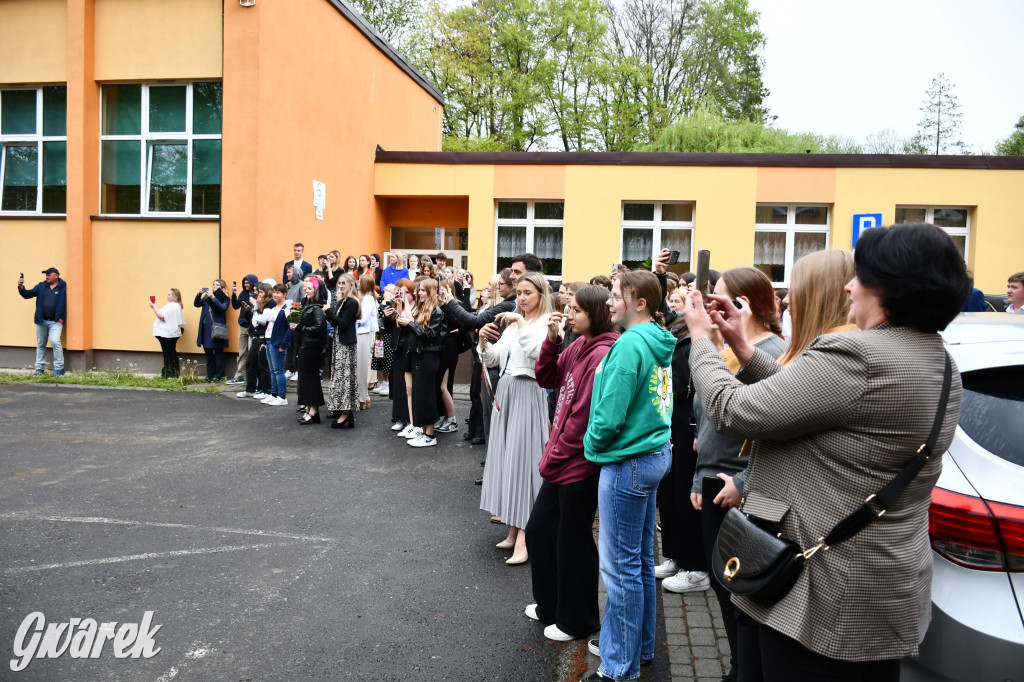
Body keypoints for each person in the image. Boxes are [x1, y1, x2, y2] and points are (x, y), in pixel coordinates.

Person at [681, 223, 969, 681]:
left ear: (891, 287)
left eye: (861, 276)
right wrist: (739, 342)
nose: (850, 286)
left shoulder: (858, 356)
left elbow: (731, 410)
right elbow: (804, 399)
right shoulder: (937, 360)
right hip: (881, 585)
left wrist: (701, 338)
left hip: (823, 591)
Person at [689, 267, 788, 680]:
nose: (711, 306)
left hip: (740, 487)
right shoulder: (732, 346)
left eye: (719, 298)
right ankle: (737, 665)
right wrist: (700, 476)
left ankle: (742, 670)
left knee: (742, 593)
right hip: (715, 479)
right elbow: (708, 419)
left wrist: (743, 482)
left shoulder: (776, 352)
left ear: (743, 304)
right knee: (722, 585)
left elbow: (776, 430)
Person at [582, 270, 674, 682]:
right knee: (637, 563)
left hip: (628, 461)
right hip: (652, 455)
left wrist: (592, 447)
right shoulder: (655, 338)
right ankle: (641, 649)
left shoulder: (629, 345)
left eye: (617, 296)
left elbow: (609, 414)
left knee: (620, 571)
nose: (609, 302)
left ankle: (619, 667)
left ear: (640, 302)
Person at [524, 285, 618, 642]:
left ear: (594, 313)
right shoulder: (578, 344)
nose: (569, 313)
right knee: (540, 530)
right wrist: (551, 341)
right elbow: (548, 379)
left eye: (576, 309)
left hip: (578, 465)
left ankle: (577, 620)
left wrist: (555, 454)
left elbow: (583, 417)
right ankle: (551, 606)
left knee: (573, 541)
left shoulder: (602, 353)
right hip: (561, 460)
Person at [479, 271, 553, 564]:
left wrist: (520, 323)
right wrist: (482, 342)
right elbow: (496, 358)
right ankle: (513, 528)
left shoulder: (548, 322)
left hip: (529, 390)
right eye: (519, 293)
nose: (521, 298)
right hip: (507, 389)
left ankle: (526, 537)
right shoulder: (513, 319)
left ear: (541, 295)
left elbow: (538, 354)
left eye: (528, 293)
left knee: (524, 462)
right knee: (508, 460)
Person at [653, 289, 708, 598]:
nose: (678, 303)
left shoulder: (702, 334)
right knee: (670, 491)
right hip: (673, 417)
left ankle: (695, 567)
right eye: (676, 299)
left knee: (688, 493)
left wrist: (701, 428)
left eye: (686, 298)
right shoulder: (676, 328)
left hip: (690, 420)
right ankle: (674, 556)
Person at [398, 278, 446, 447]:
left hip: (429, 357)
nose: (419, 293)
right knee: (421, 395)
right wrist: (405, 324)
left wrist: (409, 324)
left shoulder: (437, 312)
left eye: (423, 290)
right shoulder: (422, 308)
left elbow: (429, 336)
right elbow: (417, 333)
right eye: (419, 290)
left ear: (431, 292)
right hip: (420, 355)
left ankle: (430, 435)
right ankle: (425, 432)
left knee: (427, 396)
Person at [323, 274, 360, 428]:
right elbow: (335, 323)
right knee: (339, 377)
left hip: (346, 345)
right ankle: (342, 410)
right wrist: (328, 313)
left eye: (344, 283)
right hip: (338, 343)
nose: (341, 286)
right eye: (339, 283)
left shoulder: (352, 303)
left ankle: (346, 413)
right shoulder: (341, 302)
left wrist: (329, 312)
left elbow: (344, 323)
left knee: (345, 378)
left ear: (351, 285)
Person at [290, 279, 327, 424]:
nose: (307, 290)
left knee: (311, 380)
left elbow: (319, 328)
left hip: (313, 347)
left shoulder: (317, 308)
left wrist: (300, 327)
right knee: (306, 380)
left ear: (316, 290)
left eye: (310, 288)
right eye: (307, 288)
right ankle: (309, 408)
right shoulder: (308, 304)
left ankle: (314, 410)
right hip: (305, 346)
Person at [18, 267, 67, 376]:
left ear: (56, 276)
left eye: (49, 274)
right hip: (41, 321)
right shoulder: (41, 286)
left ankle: (59, 368)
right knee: (41, 344)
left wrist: (62, 317)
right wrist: (21, 286)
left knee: (55, 341)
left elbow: (71, 302)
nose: (47, 276)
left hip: (56, 321)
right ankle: (39, 368)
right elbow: (27, 294)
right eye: (46, 274)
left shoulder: (64, 287)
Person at [237, 283, 273, 399]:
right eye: (258, 292)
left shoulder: (270, 304)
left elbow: (262, 320)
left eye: (261, 292)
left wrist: (255, 308)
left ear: (267, 293)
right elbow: (253, 321)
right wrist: (249, 311)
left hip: (263, 338)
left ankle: (265, 390)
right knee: (250, 363)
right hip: (256, 337)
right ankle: (250, 389)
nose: (258, 295)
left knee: (263, 365)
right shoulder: (260, 305)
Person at [194, 279, 230, 381]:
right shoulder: (206, 296)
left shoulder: (225, 298)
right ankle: (210, 375)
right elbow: (197, 304)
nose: (214, 286)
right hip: (205, 328)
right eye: (213, 284)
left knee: (218, 352)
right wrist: (199, 294)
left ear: (222, 287)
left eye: (217, 284)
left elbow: (222, 308)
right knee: (208, 352)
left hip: (216, 329)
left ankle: (219, 375)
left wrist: (213, 297)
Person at [262, 283, 292, 406]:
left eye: (278, 292)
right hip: (269, 340)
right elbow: (269, 326)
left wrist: (283, 344)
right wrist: (264, 342)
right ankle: (274, 394)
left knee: (279, 370)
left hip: (278, 342)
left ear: (284, 294)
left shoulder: (286, 308)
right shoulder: (274, 308)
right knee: (272, 370)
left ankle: (282, 396)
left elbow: (290, 328)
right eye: (274, 292)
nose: (275, 294)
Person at [228, 275, 259, 384]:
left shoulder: (257, 295)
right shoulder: (243, 293)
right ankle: (239, 375)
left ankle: (252, 376)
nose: (245, 284)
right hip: (242, 325)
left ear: (253, 283)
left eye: (247, 282)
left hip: (252, 326)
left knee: (252, 352)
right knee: (242, 352)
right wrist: (233, 294)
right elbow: (236, 306)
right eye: (244, 282)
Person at [355, 275, 379, 411]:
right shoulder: (364, 298)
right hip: (362, 331)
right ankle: (363, 397)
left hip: (366, 332)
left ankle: (363, 397)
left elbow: (363, 319)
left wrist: (351, 321)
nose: (357, 283)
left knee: (364, 365)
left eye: (360, 282)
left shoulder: (369, 299)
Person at [150, 288, 185, 378]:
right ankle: (170, 373)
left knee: (169, 354)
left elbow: (162, 316)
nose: (167, 296)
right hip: (170, 333)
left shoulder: (173, 305)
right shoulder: (176, 305)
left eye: (169, 295)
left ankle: (170, 373)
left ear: (175, 297)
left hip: (167, 334)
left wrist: (154, 307)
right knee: (170, 353)